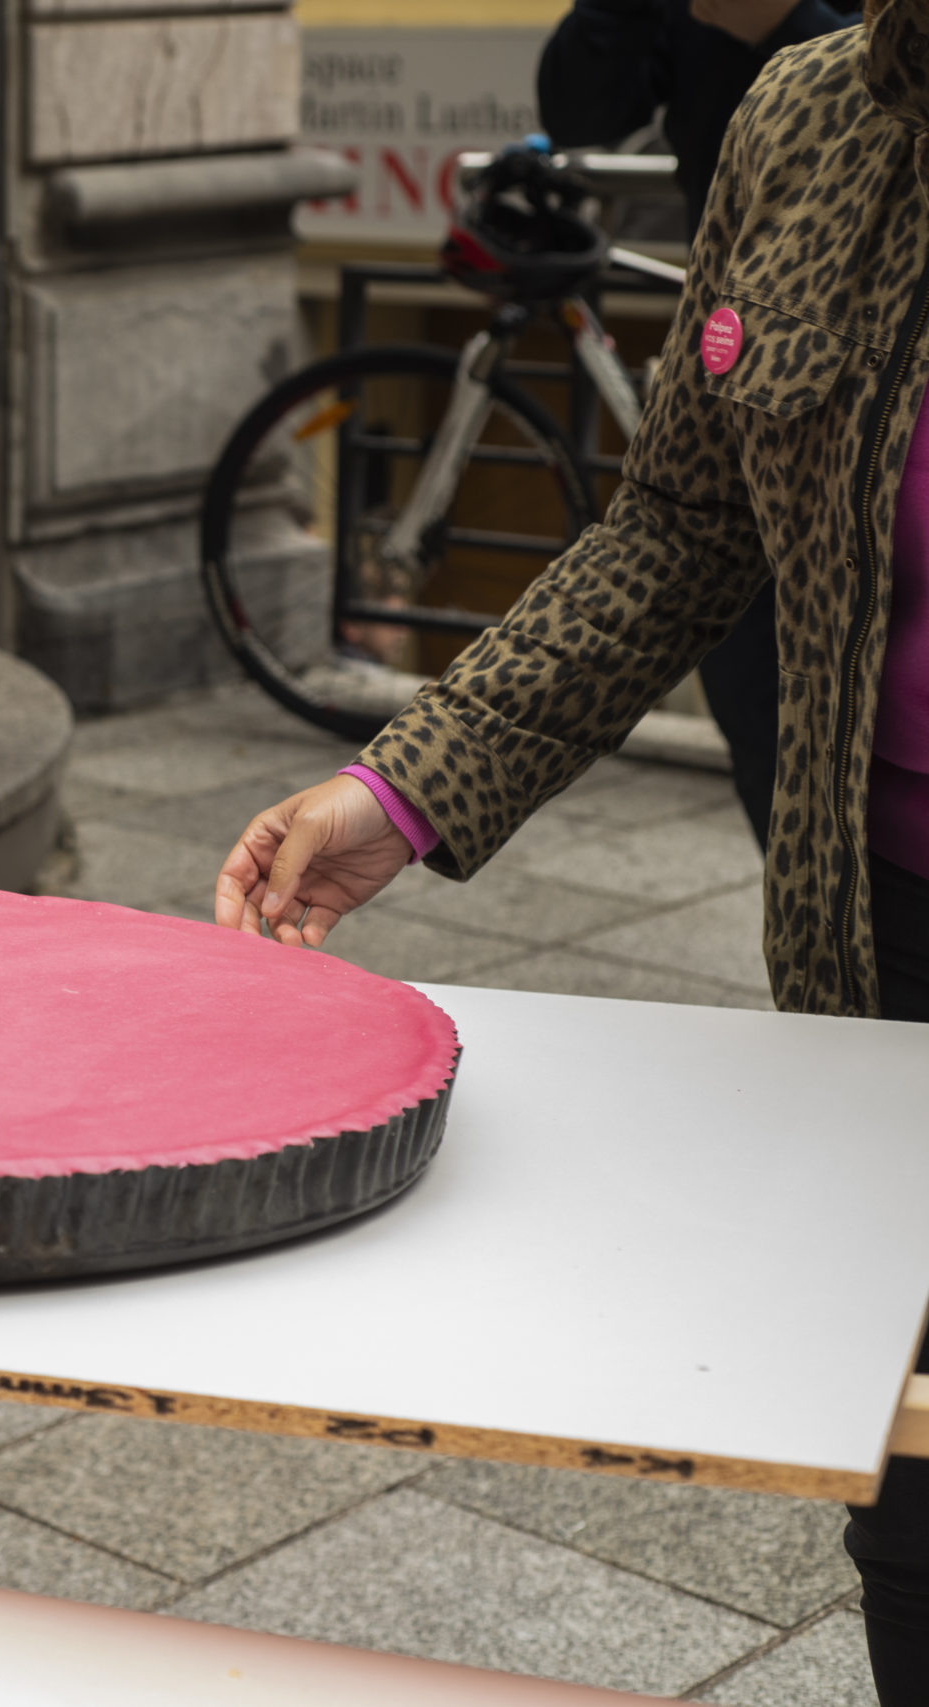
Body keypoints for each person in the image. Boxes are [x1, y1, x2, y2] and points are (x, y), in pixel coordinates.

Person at [214, 9, 929, 1697]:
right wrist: (403, 792)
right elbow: (683, 521)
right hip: (883, 956)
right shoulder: (811, 119)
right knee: (911, 1505)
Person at [538, 0, 858, 847]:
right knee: (761, 716)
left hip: (875, 386)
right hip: (740, 378)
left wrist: (785, 22)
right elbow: (578, 108)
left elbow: (894, 89)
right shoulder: (721, 50)